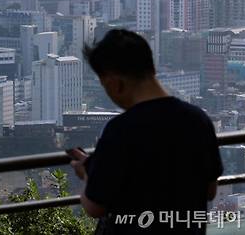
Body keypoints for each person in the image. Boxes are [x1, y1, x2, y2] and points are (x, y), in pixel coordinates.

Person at [70, 29, 223, 234]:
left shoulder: (120, 131)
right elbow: (210, 191)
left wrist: (87, 174)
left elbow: (95, 206)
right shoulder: (198, 120)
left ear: (114, 83)